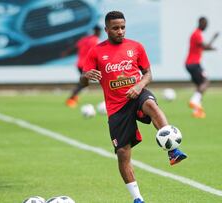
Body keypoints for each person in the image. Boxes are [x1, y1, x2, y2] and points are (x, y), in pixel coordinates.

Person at [80, 11, 187, 203]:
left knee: (151, 105)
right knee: (122, 153)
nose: (120, 31)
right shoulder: (96, 51)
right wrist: (86, 77)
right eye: (115, 28)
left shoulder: (136, 47)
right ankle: (137, 198)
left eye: (122, 27)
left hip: (137, 95)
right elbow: (84, 79)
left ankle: (173, 150)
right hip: (116, 107)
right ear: (106, 29)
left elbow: (148, 74)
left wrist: (139, 86)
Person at [185, 16, 219, 118]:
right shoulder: (197, 34)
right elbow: (205, 46)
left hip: (190, 64)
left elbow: (202, 48)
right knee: (206, 81)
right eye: (205, 24)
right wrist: (214, 38)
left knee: (199, 86)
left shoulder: (196, 34)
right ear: (200, 23)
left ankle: (197, 111)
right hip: (194, 64)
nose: (206, 26)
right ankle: (194, 101)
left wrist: (211, 48)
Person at [65, 26, 102, 108]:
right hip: (88, 65)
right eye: (100, 32)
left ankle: (73, 98)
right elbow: (97, 53)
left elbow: (75, 47)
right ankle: (71, 99)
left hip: (79, 65)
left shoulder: (85, 39)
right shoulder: (95, 40)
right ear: (98, 32)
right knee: (84, 83)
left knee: (84, 83)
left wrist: (66, 52)